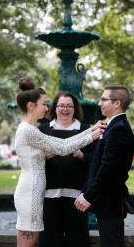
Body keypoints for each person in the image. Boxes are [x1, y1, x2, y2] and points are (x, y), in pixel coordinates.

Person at [14, 78, 104, 247]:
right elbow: (62, 147)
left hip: (32, 191)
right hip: (31, 193)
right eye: (43, 104)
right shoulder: (30, 131)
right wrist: (90, 136)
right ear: (31, 105)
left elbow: (62, 144)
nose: (47, 108)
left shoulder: (29, 129)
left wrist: (90, 130)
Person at [75, 84, 134, 247]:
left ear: (117, 103)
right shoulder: (112, 127)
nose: (99, 103)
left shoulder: (119, 129)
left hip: (111, 201)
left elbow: (108, 169)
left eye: (103, 99)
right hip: (106, 201)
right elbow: (98, 163)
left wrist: (89, 195)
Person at [38, 91, 97, 247]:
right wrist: (46, 156)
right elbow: (32, 160)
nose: (65, 109)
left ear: (75, 108)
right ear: (55, 108)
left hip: (77, 196)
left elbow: (96, 160)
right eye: (61, 105)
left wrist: (82, 156)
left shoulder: (85, 129)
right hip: (49, 194)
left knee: (78, 241)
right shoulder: (43, 129)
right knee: (48, 241)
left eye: (69, 106)